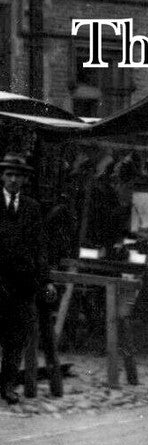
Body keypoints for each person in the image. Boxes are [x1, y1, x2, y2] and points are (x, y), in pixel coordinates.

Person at [0, 153, 52, 405]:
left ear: (24, 179)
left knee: (16, 337)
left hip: (22, 284)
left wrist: (46, 280)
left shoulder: (32, 208)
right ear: (2, 176)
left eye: (17, 176)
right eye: (9, 174)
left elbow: (40, 247)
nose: (13, 180)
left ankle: (7, 386)